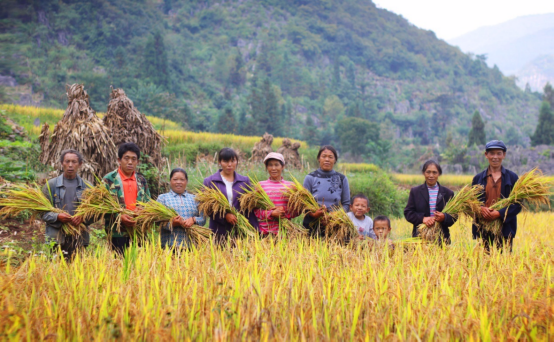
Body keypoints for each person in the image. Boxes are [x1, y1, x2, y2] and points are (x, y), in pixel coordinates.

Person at [42, 149, 92, 260]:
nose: (70, 165)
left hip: (79, 236)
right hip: (56, 237)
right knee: (55, 270)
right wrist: (57, 216)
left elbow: (95, 213)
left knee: (78, 271)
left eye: (74, 162)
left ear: (80, 164)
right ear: (62, 163)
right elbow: (42, 213)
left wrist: (83, 218)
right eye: (67, 161)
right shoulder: (51, 185)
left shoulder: (88, 187)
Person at [472, 140, 521, 252]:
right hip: (483, 228)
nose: (495, 157)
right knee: (484, 263)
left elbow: (518, 204)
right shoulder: (478, 179)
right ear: (486, 155)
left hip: (505, 229)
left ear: (504, 155)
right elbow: (470, 203)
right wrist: (480, 209)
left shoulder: (512, 178)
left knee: (504, 264)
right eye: (492, 153)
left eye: (499, 153)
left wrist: (499, 213)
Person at [103, 143, 151, 254]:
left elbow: (148, 202)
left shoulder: (141, 180)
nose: (130, 162)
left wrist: (142, 210)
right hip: (117, 232)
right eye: (126, 158)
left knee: (140, 265)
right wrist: (119, 216)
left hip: (138, 230)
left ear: (138, 162)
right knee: (119, 264)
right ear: (119, 160)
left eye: (134, 159)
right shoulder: (109, 179)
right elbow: (102, 205)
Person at [203, 148, 258, 242]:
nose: (229, 165)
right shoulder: (210, 181)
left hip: (240, 229)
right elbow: (206, 207)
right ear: (219, 162)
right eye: (225, 161)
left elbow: (250, 206)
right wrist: (224, 216)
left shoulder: (244, 181)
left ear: (237, 162)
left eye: (233, 161)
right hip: (218, 230)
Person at [404, 160, 456, 244]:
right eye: (428, 172)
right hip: (420, 237)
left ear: (439, 174)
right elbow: (408, 213)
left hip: (442, 238)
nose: (431, 175)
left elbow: (454, 216)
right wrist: (423, 218)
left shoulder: (448, 193)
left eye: (434, 172)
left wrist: (444, 217)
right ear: (424, 173)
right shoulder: (415, 191)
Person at [302, 145, 350, 236]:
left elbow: (346, 204)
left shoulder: (342, 179)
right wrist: (315, 214)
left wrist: (333, 216)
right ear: (318, 159)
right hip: (312, 222)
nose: (327, 159)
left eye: (330, 157)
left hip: (335, 223)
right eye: (324, 156)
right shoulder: (310, 178)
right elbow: (304, 203)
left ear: (335, 160)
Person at [157, 168, 206, 249]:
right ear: (170, 181)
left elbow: (203, 219)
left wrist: (193, 219)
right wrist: (172, 223)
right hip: (169, 244)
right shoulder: (163, 198)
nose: (178, 182)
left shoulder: (196, 199)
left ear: (186, 181)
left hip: (191, 245)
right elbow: (157, 221)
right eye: (175, 179)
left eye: (182, 179)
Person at [254, 152, 299, 235]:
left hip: (284, 232)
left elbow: (297, 210)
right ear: (267, 167)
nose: (273, 168)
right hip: (264, 232)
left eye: (276, 165)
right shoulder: (260, 185)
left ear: (282, 166)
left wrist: (283, 212)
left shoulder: (291, 186)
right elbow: (255, 210)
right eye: (270, 165)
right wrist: (271, 213)